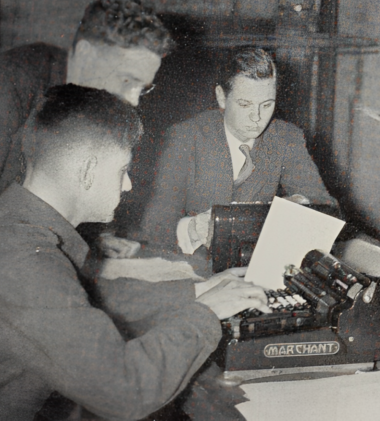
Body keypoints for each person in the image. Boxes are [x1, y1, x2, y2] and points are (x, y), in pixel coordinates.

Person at [0, 85, 269, 420]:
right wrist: (207, 312)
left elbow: (83, 301)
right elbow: (126, 391)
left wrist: (198, 291)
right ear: (88, 171)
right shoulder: (23, 260)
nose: (128, 186)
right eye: (123, 170)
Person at [0, 0, 171, 209]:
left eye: (143, 88)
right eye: (127, 80)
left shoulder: (85, 101)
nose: (133, 100)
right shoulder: (0, 89)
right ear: (86, 55)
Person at [137, 47, 336, 273]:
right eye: (245, 104)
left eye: (267, 104)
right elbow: (153, 225)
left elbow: (327, 207)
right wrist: (192, 229)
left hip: (260, 269)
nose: (257, 117)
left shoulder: (286, 138)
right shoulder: (186, 137)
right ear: (221, 96)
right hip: (193, 269)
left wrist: (299, 203)